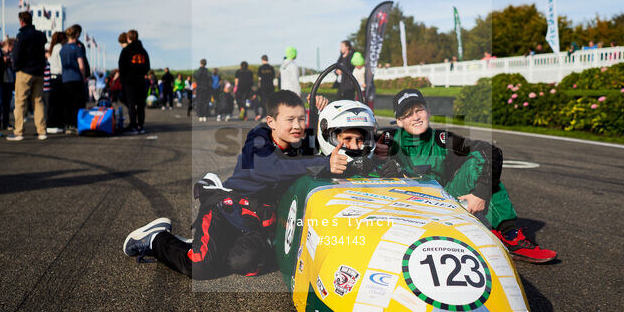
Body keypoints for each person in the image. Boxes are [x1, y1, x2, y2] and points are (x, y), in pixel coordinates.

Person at [122, 90, 348, 278]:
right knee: (200, 266)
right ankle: (157, 238)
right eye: (289, 120)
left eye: (301, 119)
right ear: (271, 122)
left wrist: (321, 113)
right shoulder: (259, 137)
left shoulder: (301, 142)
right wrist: (325, 163)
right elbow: (269, 169)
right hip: (229, 207)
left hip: (257, 221)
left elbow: (332, 142)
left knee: (244, 263)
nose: (297, 126)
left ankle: (205, 244)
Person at [376, 89, 557, 263]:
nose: (415, 117)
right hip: (404, 208)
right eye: (407, 114)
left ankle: (509, 235)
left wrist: (480, 193)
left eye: (419, 110)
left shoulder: (443, 139)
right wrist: (385, 167)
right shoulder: (389, 139)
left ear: (428, 111)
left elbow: (491, 151)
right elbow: (366, 164)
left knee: (485, 166)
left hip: (442, 203)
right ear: (398, 121)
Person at [8, 11, 48, 141]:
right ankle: (42, 131)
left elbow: (17, 54)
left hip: (25, 71)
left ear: (21, 21)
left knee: (20, 102)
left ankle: (19, 132)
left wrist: (16, 68)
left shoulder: (21, 35)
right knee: (38, 101)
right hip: (39, 72)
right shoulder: (40, 35)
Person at [118, 29, 150, 134]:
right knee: (141, 104)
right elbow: (147, 67)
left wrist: (122, 81)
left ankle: (133, 126)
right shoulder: (143, 51)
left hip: (129, 82)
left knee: (131, 104)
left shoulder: (126, 51)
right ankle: (141, 125)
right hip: (141, 80)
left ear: (128, 38)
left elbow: (121, 67)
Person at [59, 25, 88, 132]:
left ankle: (68, 124)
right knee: (77, 102)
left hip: (65, 78)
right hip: (76, 78)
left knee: (67, 103)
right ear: (76, 35)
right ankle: (76, 124)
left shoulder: (62, 49)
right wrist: (84, 77)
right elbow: (81, 65)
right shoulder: (77, 48)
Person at [45, 31, 66, 133]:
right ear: (63, 39)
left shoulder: (52, 49)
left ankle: (50, 124)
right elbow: (62, 65)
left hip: (52, 77)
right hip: (59, 77)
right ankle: (57, 124)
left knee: (52, 103)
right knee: (58, 103)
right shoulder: (60, 48)